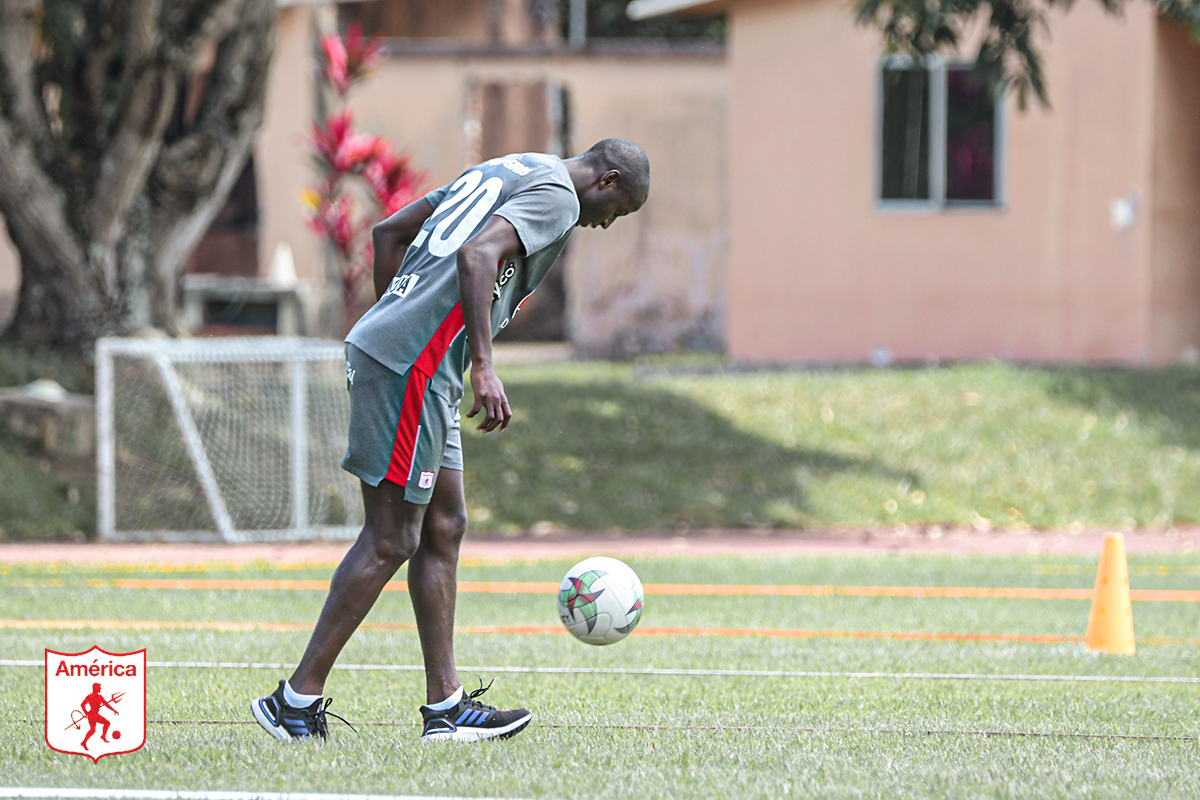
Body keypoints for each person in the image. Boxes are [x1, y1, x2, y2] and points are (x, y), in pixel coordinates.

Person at [252, 139, 649, 743]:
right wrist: (481, 365)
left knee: (444, 525)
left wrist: (396, 316)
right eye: (617, 211)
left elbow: (389, 232)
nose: (606, 223)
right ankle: (294, 701)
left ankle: (446, 708)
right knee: (391, 538)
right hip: (415, 363)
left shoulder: (509, 168)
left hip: (423, 364)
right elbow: (477, 253)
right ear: (608, 181)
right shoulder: (560, 197)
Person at [80, 683, 117, 750]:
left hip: (92, 715)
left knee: (92, 730)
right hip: (94, 715)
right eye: (99, 687)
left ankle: (84, 742)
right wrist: (86, 712)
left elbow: (106, 704)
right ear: (96, 688)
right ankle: (103, 736)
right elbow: (82, 704)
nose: (100, 688)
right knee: (107, 723)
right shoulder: (91, 697)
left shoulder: (98, 697)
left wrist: (113, 710)